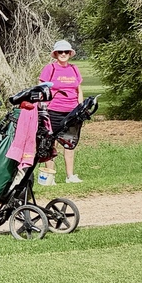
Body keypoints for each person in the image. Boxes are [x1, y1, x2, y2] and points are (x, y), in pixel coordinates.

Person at [39, 39, 83, 183]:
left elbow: (78, 90)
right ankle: (49, 177)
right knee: (51, 143)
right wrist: (42, 106)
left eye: (66, 52)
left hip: (72, 112)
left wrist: (81, 108)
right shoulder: (50, 68)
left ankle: (70, 176)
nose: (63, 54)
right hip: (53, 111)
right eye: (60, 52)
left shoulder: (74, 69)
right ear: (55, 54)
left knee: (69, 143)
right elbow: (41, 88)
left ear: (70, 53)